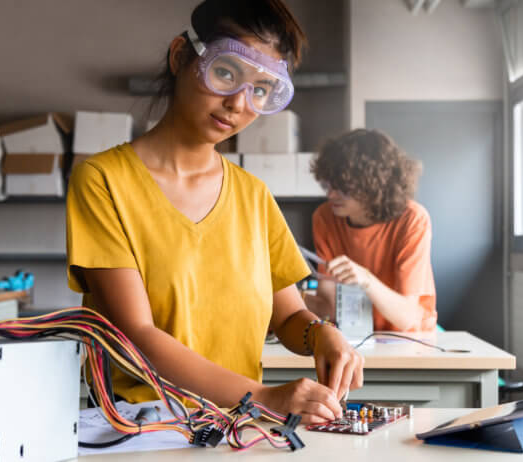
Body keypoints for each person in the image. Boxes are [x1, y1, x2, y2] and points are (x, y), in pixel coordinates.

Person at [66, 0, 362, 424]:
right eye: (225, 73)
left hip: (239, 430)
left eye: (260, 89)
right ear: (180, 57)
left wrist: (322, 333)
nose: (238, 103)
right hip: (139, 427)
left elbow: (289, 315)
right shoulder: (103, 180)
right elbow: (138, 334)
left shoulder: (253, 195)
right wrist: (262, 396)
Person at [306, 129, 437, 333]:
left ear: (373, 186)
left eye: (343, 188)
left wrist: (365, 279)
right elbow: (329, 309)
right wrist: (290, 297)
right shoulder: (324, 217)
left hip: (409, 338)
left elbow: (407, 318)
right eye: (328, 185)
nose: (331, 194)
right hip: (356, 335)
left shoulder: (412, 219)